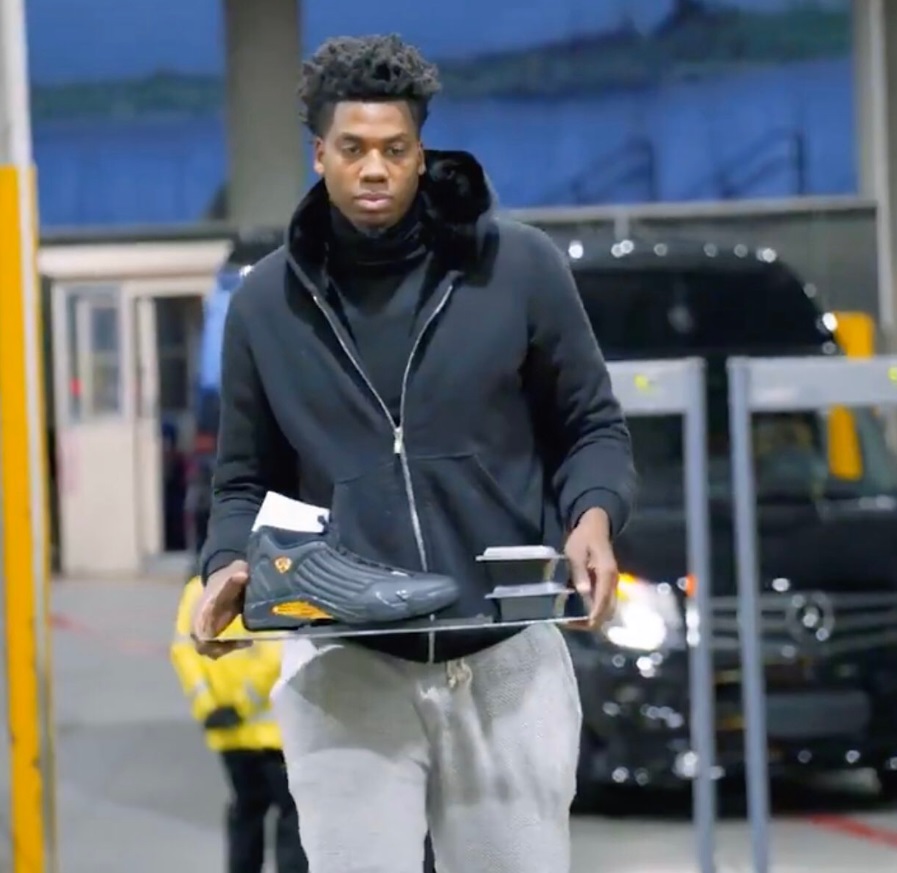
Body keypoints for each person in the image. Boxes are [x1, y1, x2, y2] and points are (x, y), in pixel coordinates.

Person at [191, 33, 636, 873]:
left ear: (420, 153)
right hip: (343, 669)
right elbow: (244, 480)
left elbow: (591, 426)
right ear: (319, 152)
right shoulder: (264, 306)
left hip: (507, 661)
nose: (373, 170)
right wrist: (225, 566)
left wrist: (594, 515)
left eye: (394, 150)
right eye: (352, 149)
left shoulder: (520, 269)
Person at [172, 576, 309, 873]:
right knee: (292, 815)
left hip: (228, 732)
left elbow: (184, 652)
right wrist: (243, 703)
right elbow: (277, 653)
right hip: (276, 734)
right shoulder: (273, 584)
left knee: (246, 811)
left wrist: (208, 707)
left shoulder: (197, 590)